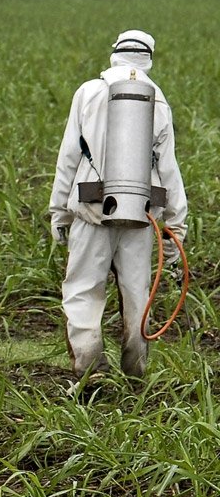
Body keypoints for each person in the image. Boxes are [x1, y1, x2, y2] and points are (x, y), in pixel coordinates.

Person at [48, 30, 187, 379]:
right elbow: (168, 168)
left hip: (91, 209)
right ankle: (135, 372)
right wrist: (176, 226)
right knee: (137, 295)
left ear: (115, 54)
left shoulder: (88, 92)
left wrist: (59, 212)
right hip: (141, 213)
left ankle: (90, 370)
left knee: (83, 290)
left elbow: (69, 156)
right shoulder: (158, 100)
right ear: (148, 59)